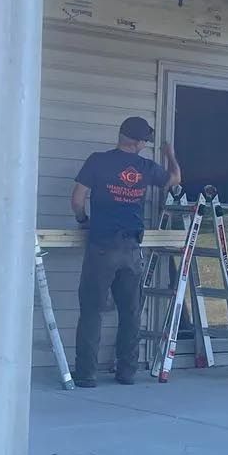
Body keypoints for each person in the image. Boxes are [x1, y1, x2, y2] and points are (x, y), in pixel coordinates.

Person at [71, 115, 180, 386]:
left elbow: (77, 199)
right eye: (145, 140)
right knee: (130, 312)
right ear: (138, 141)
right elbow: (175, 180)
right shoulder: (146, 167)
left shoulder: (97, 161)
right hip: (131, 248)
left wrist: (84, 221)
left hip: (101, 246)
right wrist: (170, 154)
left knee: (91, 311)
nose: (145, 145)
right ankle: (126, 373)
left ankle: (86, 375)